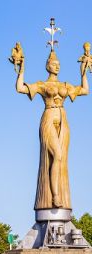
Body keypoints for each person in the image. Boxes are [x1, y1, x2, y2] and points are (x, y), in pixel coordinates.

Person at [14, 46, 89, 210]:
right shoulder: (42, 85)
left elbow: (85, 90)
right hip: (48, 118)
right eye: (54, 63)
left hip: (63, 120)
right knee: (57, 155)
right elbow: (20, 88)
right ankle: (54, 196)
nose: (57, 66)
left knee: (62, 160)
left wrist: (83, 71)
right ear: (48, 65)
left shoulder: (65, 85)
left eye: (59, 64)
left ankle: (60, 195)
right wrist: (21, 68)